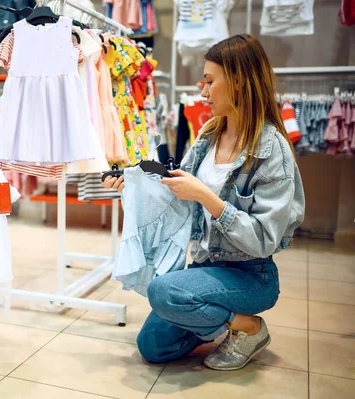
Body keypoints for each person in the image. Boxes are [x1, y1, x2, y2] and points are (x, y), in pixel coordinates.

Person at [102, 34, 305, 371]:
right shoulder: (209, 134)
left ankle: (249, 328)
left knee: (163, 291)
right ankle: (213, 317)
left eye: (210, 81)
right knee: (151, 346)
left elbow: (265, 238)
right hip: (204, 267)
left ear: (238, 81)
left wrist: (207, 198)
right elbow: (180, 192)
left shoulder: (273, 150)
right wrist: (135, 185)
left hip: (250, 275)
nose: (203, 90)